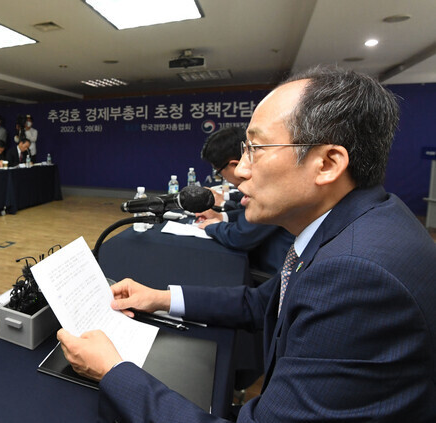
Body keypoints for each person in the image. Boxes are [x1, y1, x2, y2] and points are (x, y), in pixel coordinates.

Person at [57, 66, 436, 422]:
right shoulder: (358, 222)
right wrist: (158, 297)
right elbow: (262, 302)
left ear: (327, 164)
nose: (240, 170)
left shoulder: (356, 273)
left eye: (257, 149)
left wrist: (113, 371)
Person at [195, 127, 294, 275]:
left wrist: (211, 227)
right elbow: (244, 215)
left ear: (234, 164)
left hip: (272, 275)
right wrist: (221, 217)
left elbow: (240, 236)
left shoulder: (270, 187)